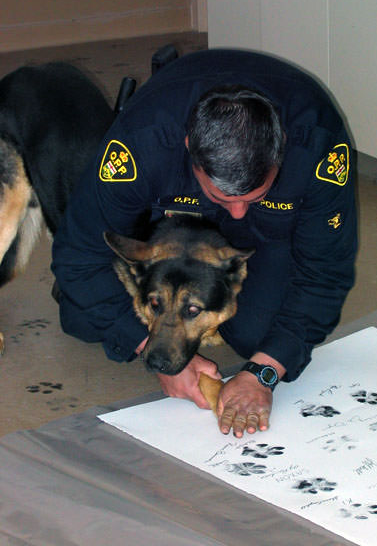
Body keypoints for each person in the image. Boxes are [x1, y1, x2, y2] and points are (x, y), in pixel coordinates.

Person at [52, 49, 357, 438]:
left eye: (254, 196)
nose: (238, 213)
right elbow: (77, 255)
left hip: (264, 238)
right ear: (189, 149)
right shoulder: (144, 144)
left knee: (258, 335)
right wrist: (150, 345)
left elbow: (325, 273)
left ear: (281, 150)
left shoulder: (317, 148)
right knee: (81, 316)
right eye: (223, 197)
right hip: (168, 228)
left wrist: (263, 371)